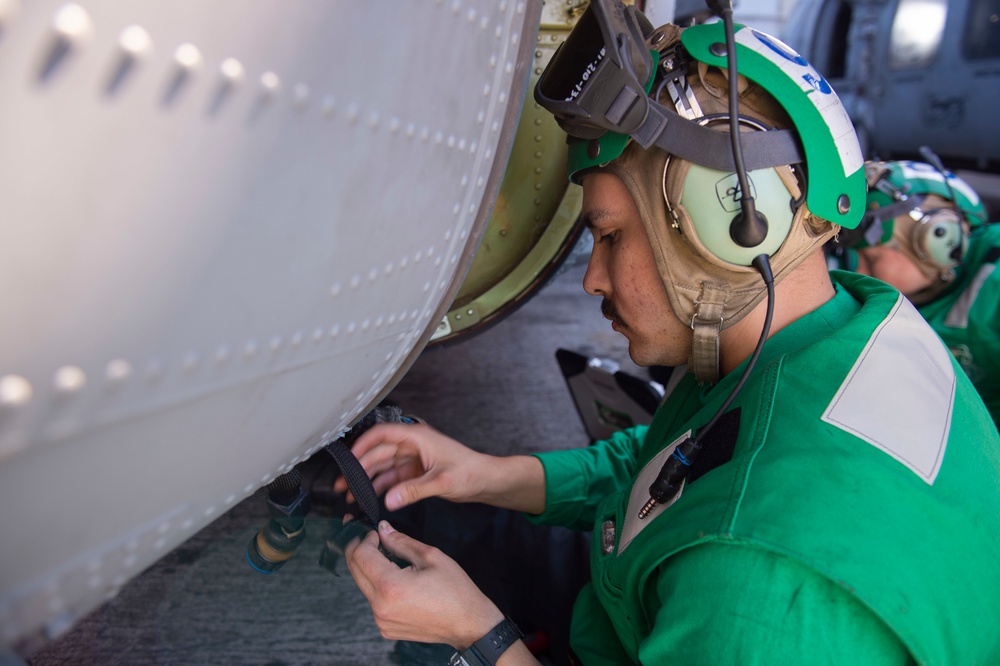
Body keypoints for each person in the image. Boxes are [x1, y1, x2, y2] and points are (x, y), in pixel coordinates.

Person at [340, 2, 1000, 664]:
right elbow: (673, 461)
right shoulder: (838, 331)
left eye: (608, 235)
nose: (592, 279)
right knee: (449, 521)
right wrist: (482, 473)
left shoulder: (758, 586)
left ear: (737, 225)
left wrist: (477, 633)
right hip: (639, 597)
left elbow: (727, 511)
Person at [827, 159, 1000, 426]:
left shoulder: (994, 282)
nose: (858, 273)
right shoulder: (899, 295)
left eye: (870, 260)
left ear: (939, 240)